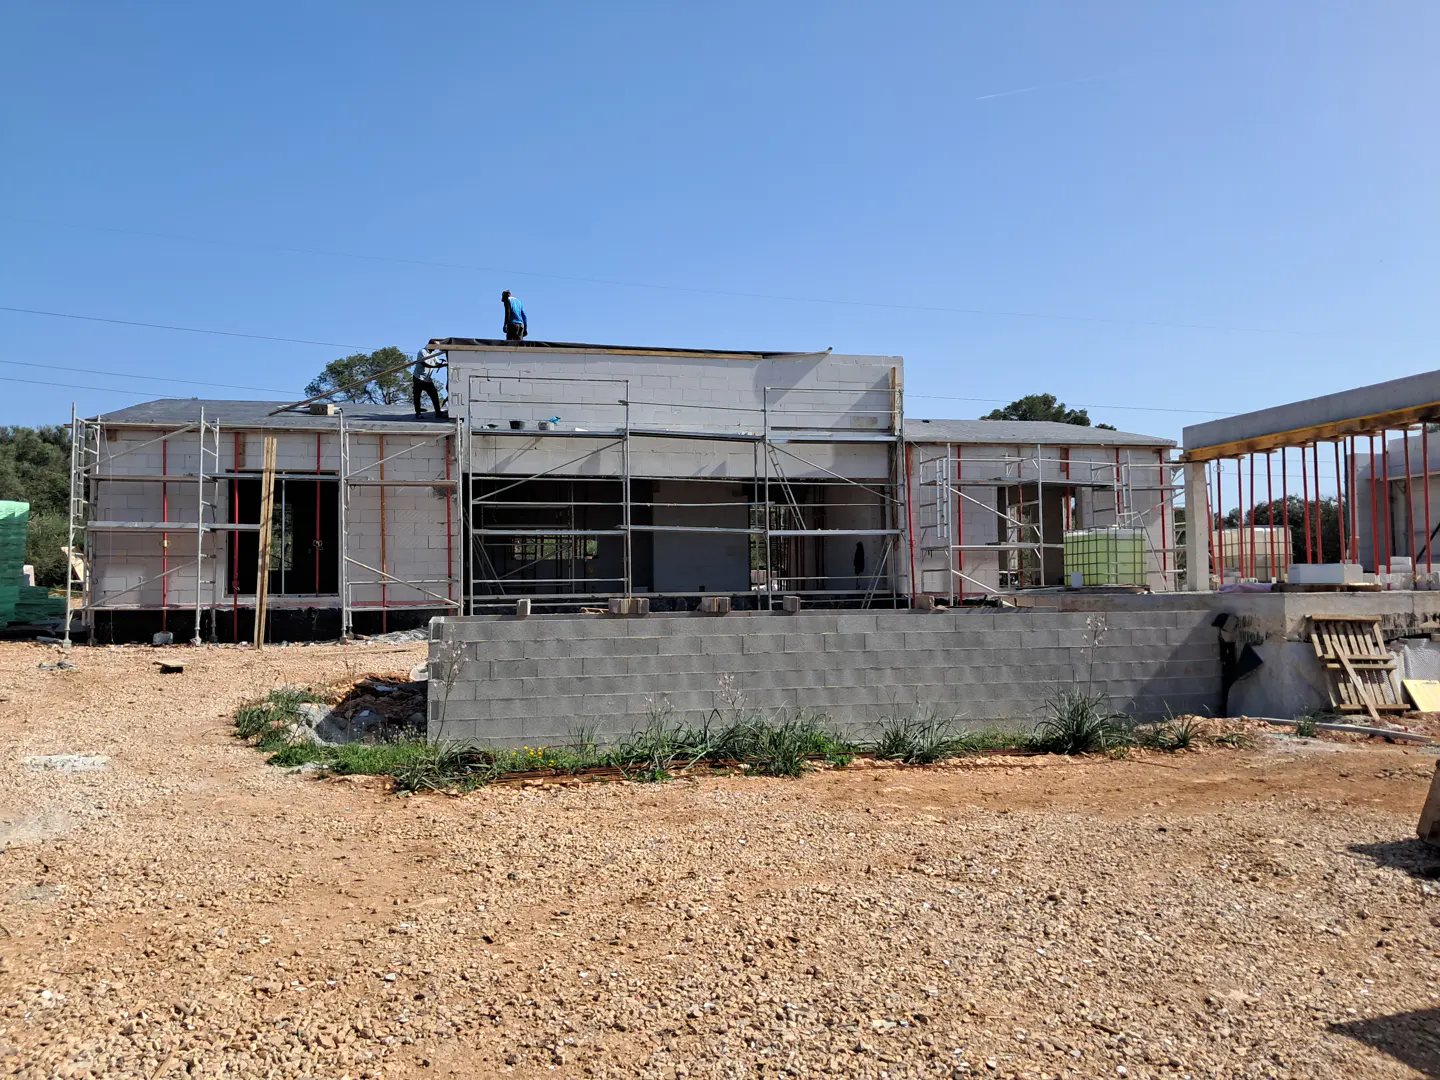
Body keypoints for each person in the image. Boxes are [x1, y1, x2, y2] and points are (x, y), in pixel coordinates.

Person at [412, 348, 446, 418]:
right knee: (417, 395)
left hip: (427, 379)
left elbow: (437, 363)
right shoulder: (422, 352)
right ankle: (418, 413)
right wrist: (435, 366)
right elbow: (423, 363)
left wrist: (444, 364)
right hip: (419, 378)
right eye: (435, 346)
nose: (436, 348)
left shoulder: (433, 353)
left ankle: (438, 413)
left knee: (434, 394)